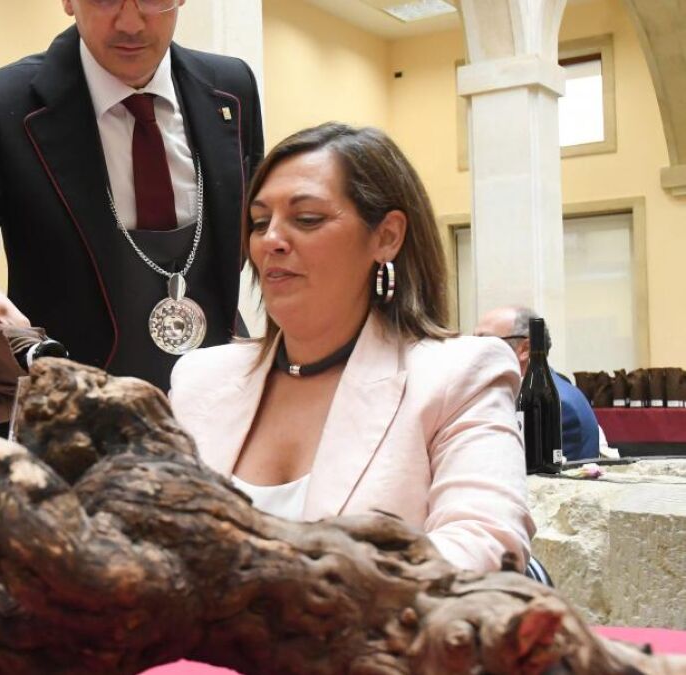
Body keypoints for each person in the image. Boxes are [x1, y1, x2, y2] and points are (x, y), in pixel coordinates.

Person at [169, 123, 534, 573]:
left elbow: (487, 546)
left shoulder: (460, 374)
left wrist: (299, 592)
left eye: (307, 219)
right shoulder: (198, 378)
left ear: (387, 236)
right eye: (260, 222)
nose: (271, 241)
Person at [0, 0, 264, 391]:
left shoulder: (233, 87)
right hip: (75, 401)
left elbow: (256, 221)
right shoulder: (2, 103)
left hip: (222, 388)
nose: (130, 23)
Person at [475, 306, 602, 462]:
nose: (474, 350)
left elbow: (538, 473)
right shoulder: (519, 391)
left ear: (525, 349)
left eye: (485, 340)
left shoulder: (554, 402)